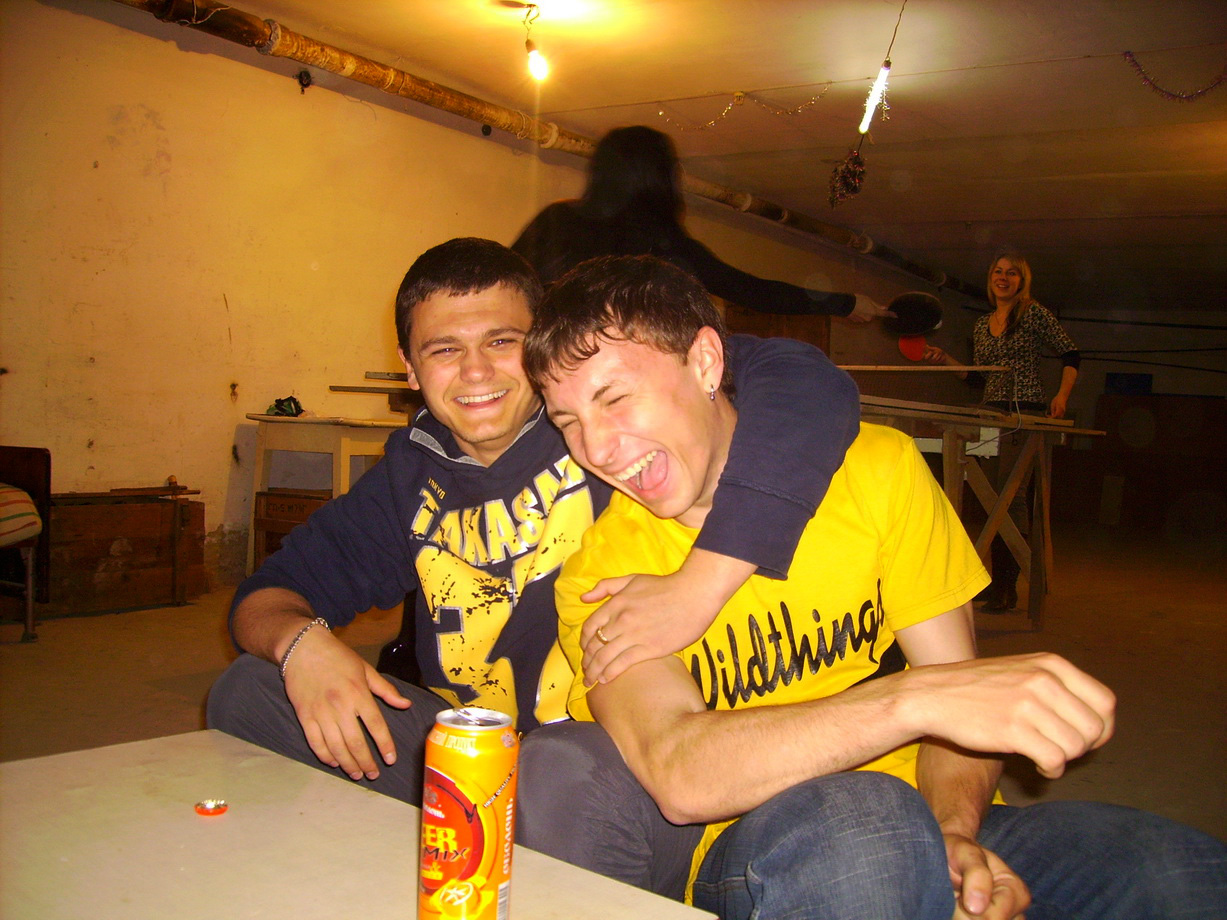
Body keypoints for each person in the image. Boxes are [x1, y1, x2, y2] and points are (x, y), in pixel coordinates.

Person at [523, 254, 1227, 920]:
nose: (596, 449)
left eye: (614, 398)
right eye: (569, 422)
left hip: (935, 810)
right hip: (759, 849)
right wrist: (913, 701)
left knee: (1179, 872)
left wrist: (954, 835)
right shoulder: (602, 572)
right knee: (863, 818)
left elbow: (962, 713)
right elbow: (681, 775)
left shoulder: (879, 471)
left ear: (706, 361)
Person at [206, 237, 861, 897]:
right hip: (470, 760)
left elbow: (804, 379)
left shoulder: (597, 430)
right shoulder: (407, 477)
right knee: (250, 690)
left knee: (561, 772)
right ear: (409, 368)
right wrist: (302, 645)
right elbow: (266, 597)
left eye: (501, 342)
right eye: (444, 350)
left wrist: (703, 582)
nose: (475, 372)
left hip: (607, 764)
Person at [512, 124, 890, 322]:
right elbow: (752, 290)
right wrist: (845, 303)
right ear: (660, 177)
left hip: (544, 367)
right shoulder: (662, 244)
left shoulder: (556, 219)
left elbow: (505, 285)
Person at [923, 251, 1080, 610]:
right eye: (998, 272)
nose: (1003, 278)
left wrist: (1062, 396)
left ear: (1022, 281)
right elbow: (979, 378)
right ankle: (993, 582)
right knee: (988, 496)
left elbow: (1070, 353)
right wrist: (945, 359)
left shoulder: (1033, 313)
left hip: (1023, 412)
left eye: (1012, 273)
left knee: (1010, 497)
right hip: (990, 412)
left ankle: (1007, 587)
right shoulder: (982, 325)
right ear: (991, 278)